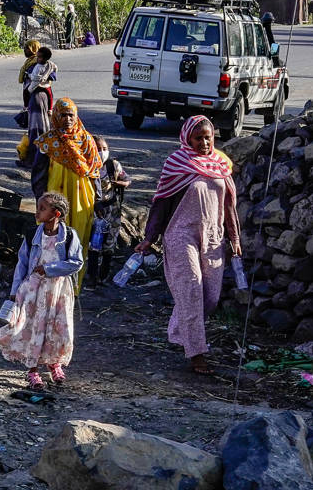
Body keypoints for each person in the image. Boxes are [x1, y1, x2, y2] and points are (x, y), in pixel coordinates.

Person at [135, 115, 241, 376]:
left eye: (208, 137)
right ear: (187, 139)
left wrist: (235, 238)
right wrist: (150, 237)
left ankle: (182, 327)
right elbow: (160, 202)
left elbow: (229, 206)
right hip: (181, 234)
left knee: (210, 296)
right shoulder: (176, 164)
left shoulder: (221, 165)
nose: (204, 143)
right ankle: (197, 355)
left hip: (213, 236)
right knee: (191, 287)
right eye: (198, 138)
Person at [0, 190, 84, 388]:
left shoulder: (69, 236)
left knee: (59, 329)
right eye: (38, 208)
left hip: (58, 292)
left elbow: (76, 262)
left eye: (42, 209)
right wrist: (15, 290)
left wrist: (49, 269)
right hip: (33, 290)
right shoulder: (33, 234)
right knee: (32, 327)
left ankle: (54, 364)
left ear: (56, 214)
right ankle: (32, 371)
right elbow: (22, 263)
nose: (37, 212)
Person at [19, 97, 100, 290]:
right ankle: (45, 284)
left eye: (71, 115)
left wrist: (100, 200)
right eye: (62, 115)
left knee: (77, 241)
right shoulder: (48, 142)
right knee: (51, 240)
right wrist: (41, 201)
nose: (67, 119)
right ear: (55, 116)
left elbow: (95, 172)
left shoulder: (86, 140)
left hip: (82, 200)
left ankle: (72, 288)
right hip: (54, 201)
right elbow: (38, 175)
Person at [89, 137, 130, 283]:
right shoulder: (86, 167)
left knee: (110, 242)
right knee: (93, 244)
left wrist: (122, 183)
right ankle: (92, 277)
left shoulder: (113, 165)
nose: (102, 152)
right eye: (98, 149)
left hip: (112, 211)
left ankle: (104, 275)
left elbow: (127, 179)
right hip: (93, 211)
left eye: (104, 149)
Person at [19, 47, 57, 166]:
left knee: (36, 128)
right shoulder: (32, 64)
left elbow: (50, 77)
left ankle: (36, 159)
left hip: (37, 96)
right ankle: (41, 157)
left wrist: (34, 79)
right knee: (42, 126)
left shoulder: (35, 65)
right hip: (40, 96)